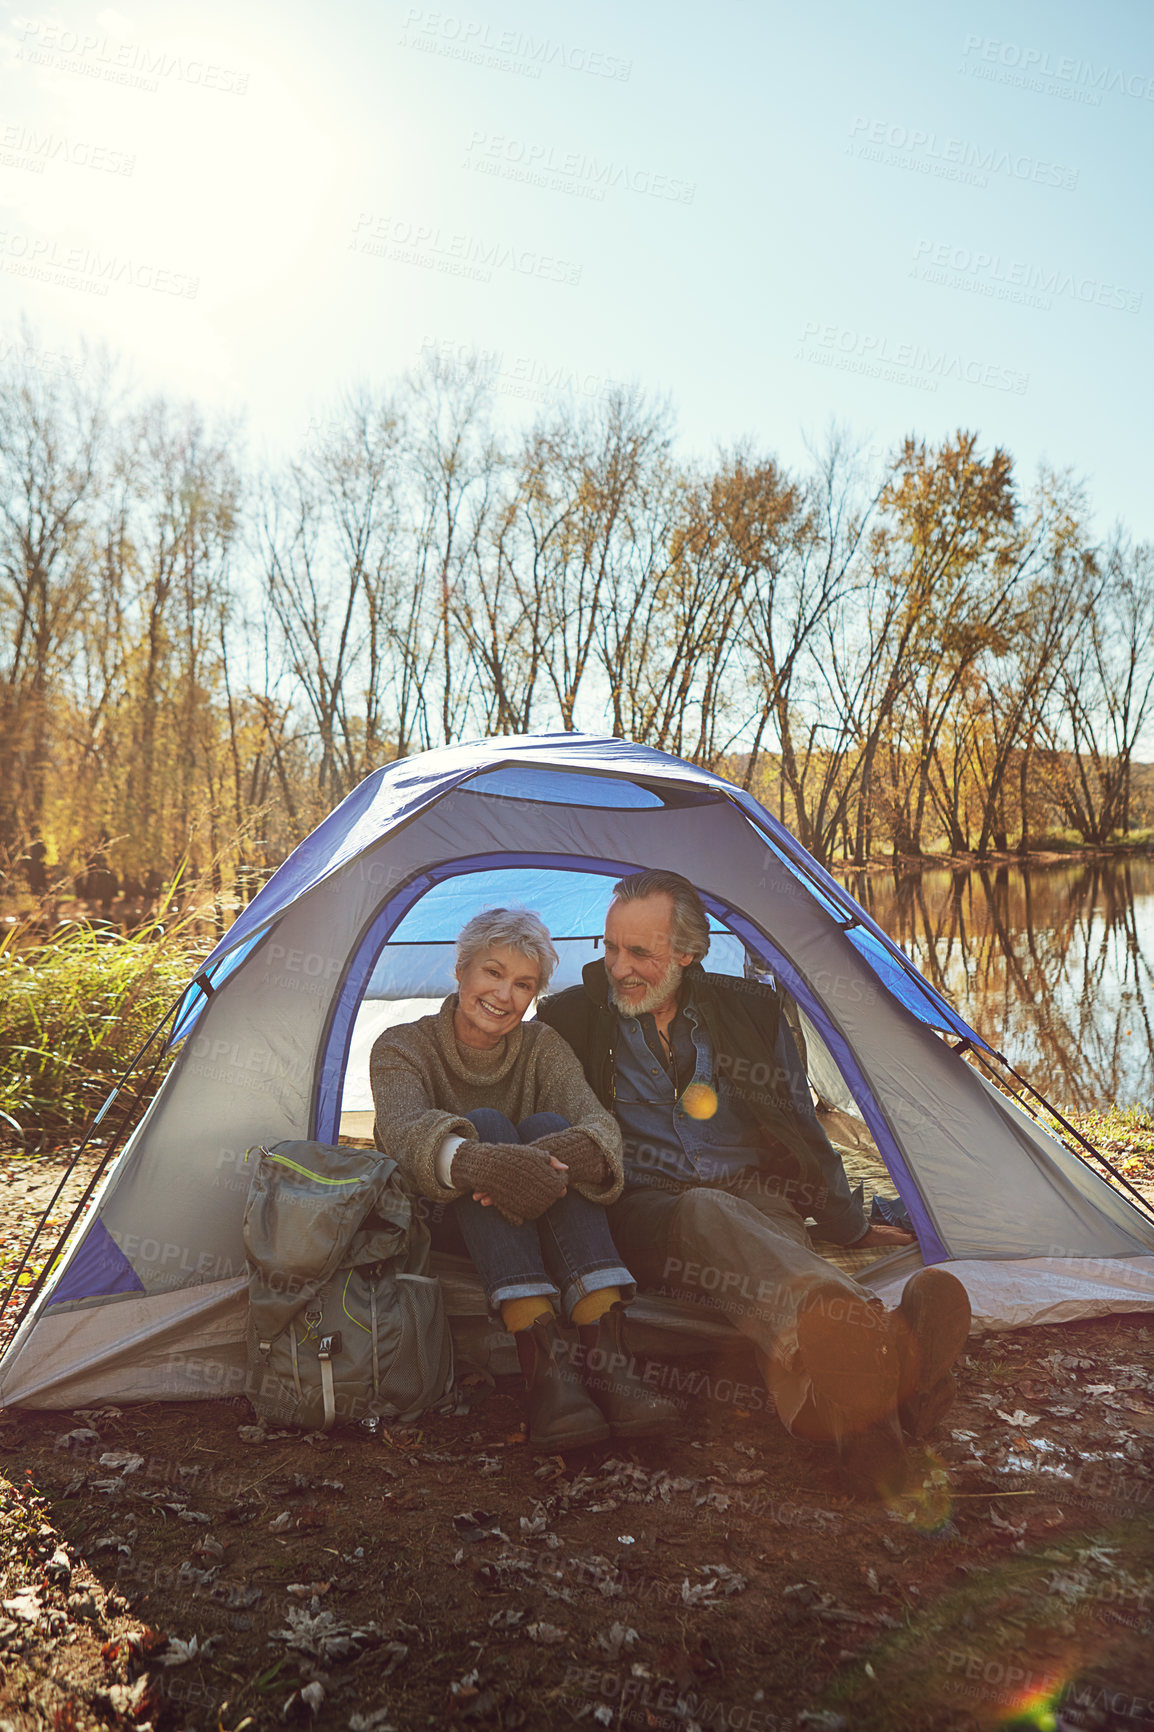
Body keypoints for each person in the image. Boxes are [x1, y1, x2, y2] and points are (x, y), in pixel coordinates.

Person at [537, 870, 972, 1494]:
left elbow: (801, 1123)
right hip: (645, 1208)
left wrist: (846, 1223)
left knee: (769, 1281)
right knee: (710, 1215)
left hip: (758, 1196)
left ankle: (866, 1429)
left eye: (641, 952)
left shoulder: (750, 1010)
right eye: (610, 948)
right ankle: (881, 1336)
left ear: (688, 953)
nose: (619, 967)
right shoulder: (571, 1019)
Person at [370, 906, 678, 1451]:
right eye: (492, 972)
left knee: (552, 1125)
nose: (503, 995)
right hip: (443, 1218)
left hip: (543, 1211)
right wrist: (486, 1163)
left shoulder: (541, 1046)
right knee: (485, 1126)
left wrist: (543, 1161)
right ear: (461, 969)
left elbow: (599, 1128)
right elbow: (401, 1130)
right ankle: (546, 1367)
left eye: (523, 984)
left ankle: (606, 1354)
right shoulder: (401, 1045)